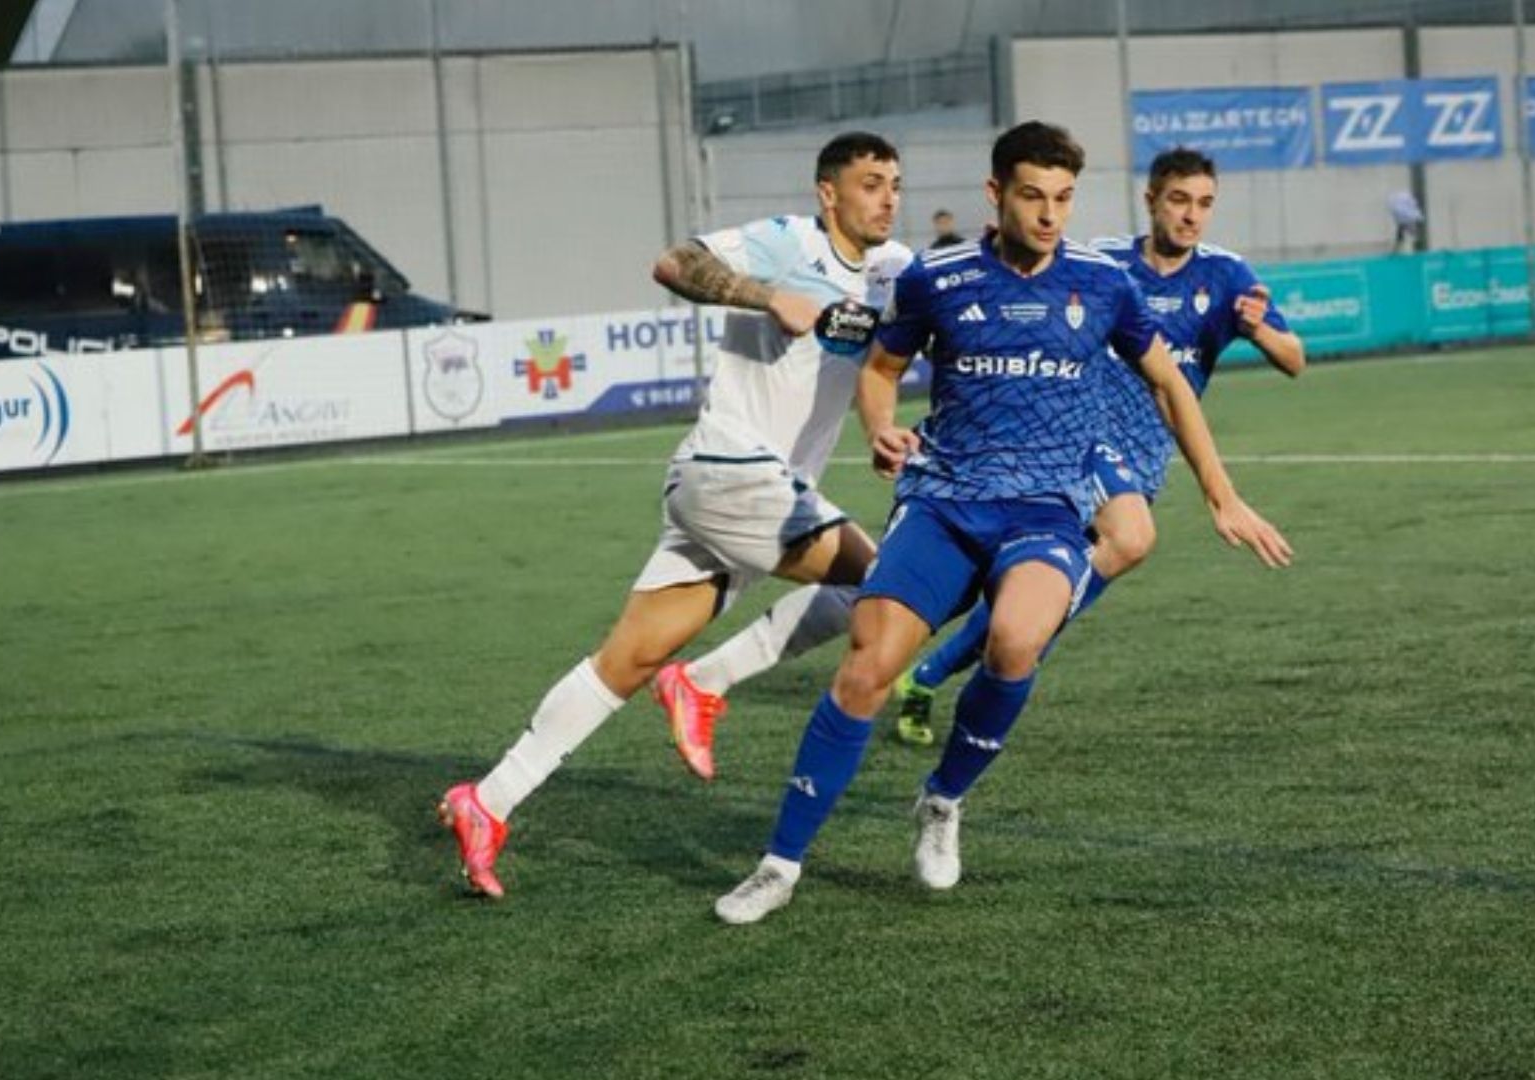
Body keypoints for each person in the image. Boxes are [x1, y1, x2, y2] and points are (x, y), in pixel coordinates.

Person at [712, 121, 1293, 925]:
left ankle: (943, 799)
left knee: (1016, 639)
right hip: (943, 500)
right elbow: (880, 371)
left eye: (1062, 198)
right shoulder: (937, 279)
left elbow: (1169, 383)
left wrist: (1222, 496)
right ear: (996, 193)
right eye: (1032, 196)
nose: (1050, 215)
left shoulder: (1102, 284)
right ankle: (779, 863)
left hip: (1046, 506)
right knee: (867, 664)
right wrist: (879, 427)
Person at [436, 132, 914, 899]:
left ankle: (487, 801)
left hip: (746, 493)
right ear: (829, 193)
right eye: (869, 183)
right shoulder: (787, 242)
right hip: (731, 467)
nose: (887, 196)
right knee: (891, 584)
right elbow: (673, 262)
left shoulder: (896, 273)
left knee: (623, 662)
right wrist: (767, 296)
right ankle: (706, 683)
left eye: (894, 182)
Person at [892, 145, 1307, 746]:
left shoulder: (1226, 274)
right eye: (1179, 201)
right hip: (1077, 442)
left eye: (1205, 205)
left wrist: (1259, 327)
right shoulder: (1106, 264)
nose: (1192, 216)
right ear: (1151, 201)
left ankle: (931, 669)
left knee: (1030, 590)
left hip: (1145, 458)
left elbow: (1295, 361)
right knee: (1133, 537)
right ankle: (944, 662)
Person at [1388, 189, 1424, 254]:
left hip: (1404, 212)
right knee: (1403, 231)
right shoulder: (1409, 216)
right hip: (1403, 211)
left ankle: (1397, 248)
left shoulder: (1411, 216)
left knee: (1403, 231)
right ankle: (1397, 248)